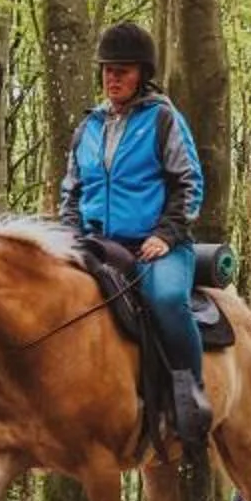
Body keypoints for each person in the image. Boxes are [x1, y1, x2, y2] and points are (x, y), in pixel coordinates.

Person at [59, 22, 210, 445]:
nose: (113, 78)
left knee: (164, 299)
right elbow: (70, 191)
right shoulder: (87, 127)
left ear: (142, 73)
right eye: (108, 69)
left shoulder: (163, 119)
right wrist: (69, 236)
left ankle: (189, 393)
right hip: (96, 242)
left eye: (123, 70)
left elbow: (189, 183)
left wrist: (167, 232)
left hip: (156, 244)